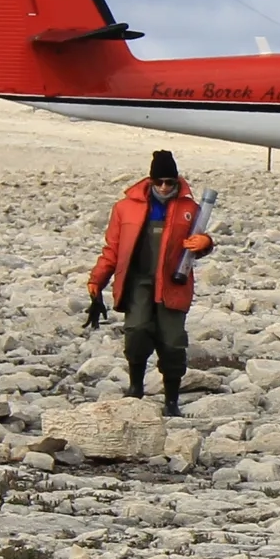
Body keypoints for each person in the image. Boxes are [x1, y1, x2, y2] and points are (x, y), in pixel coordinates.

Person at [87, 150, 215, 416]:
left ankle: (171, 401)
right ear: (151, 180)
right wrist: (97, 280)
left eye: (170, 182)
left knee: (173, 342)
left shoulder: (191, 209)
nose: (165, 187)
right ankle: (136, 387)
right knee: (136, 332)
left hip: (173, 283)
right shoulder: (125, 207)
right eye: (160, 182)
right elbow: (112, 248)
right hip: (138, 281)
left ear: (177, 180)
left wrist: (206, 244)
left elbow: (198, 244)